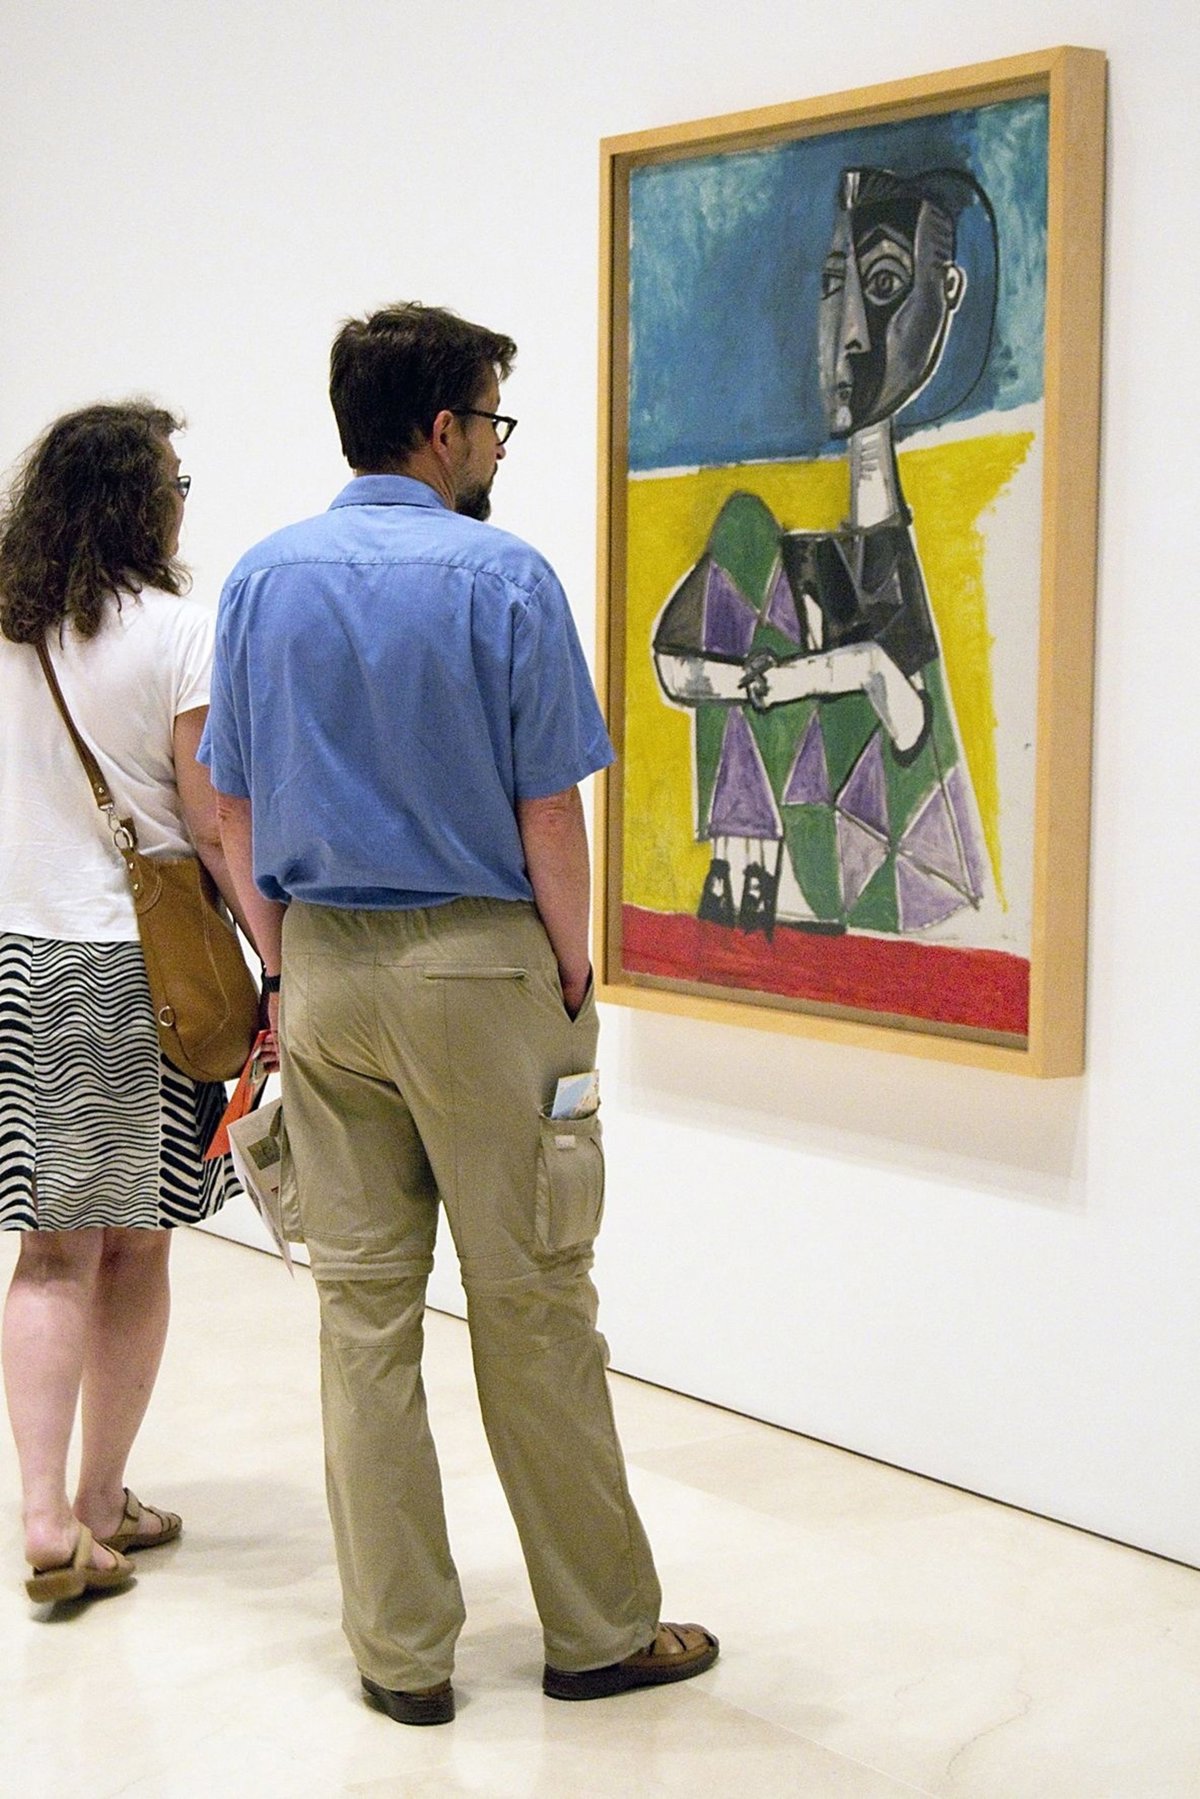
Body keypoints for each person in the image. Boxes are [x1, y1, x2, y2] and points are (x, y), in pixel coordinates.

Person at [201, 303, 718, 1725]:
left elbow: (232, 807)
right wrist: (573, 968)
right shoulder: (503, 577)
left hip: (328, 970)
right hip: (483, 970)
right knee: (533, 1300)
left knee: (362, 1317)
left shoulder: (260, 579)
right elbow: (549, 808)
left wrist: (287, 957)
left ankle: (401, 1653)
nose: (495, 444)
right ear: (441, 427)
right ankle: (598, 1628)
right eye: (492, 417)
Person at [0, 402, 250, 1602]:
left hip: (23, 957)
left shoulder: (11, 627)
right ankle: (95, 1501)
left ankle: (47, 1512)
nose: (183, 499)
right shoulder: (180, 632)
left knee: (50, 1249)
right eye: (175, 480)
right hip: (135, 970)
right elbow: (212, 818)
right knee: (135, 1241)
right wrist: (273, 948)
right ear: (141, 501)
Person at [653, 165, 990, 937]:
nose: (850, 333)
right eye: (835, 287)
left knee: (757, 552)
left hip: (892, 877)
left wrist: (769, 682)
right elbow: (670, 665)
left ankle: (746, 866)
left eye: (884, 284)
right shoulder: (800, 562)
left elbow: (886, 680)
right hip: (804, 844)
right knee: (743, 525)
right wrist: (760, 682)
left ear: (947, 293)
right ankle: (744, 862)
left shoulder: (878, 559)